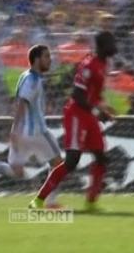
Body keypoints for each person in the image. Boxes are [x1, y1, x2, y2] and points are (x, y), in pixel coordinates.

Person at [28, 32, 118, 211]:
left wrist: (103, 111)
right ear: (101, 46)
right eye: (111, 42)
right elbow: (77, 95)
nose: (114, 46)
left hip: (89, 114)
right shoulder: (88, 65)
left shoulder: (103, 64)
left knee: (101, 157)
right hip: (76, 114)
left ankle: (91, 202)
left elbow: (94, 95)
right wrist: (96, 111)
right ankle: (39, 200)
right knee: (72, 160)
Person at [0, 45, 63, 208]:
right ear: (36, 60)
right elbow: (21, 103)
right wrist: (15, 128)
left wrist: (16, 129)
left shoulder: (26, 76)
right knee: (59, 165)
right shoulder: (32, 80)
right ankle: (50, 202)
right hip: (37, 131)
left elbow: (18, 101)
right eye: (47, 56)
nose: (50, 59)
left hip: (22, 133)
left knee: (16, 171)